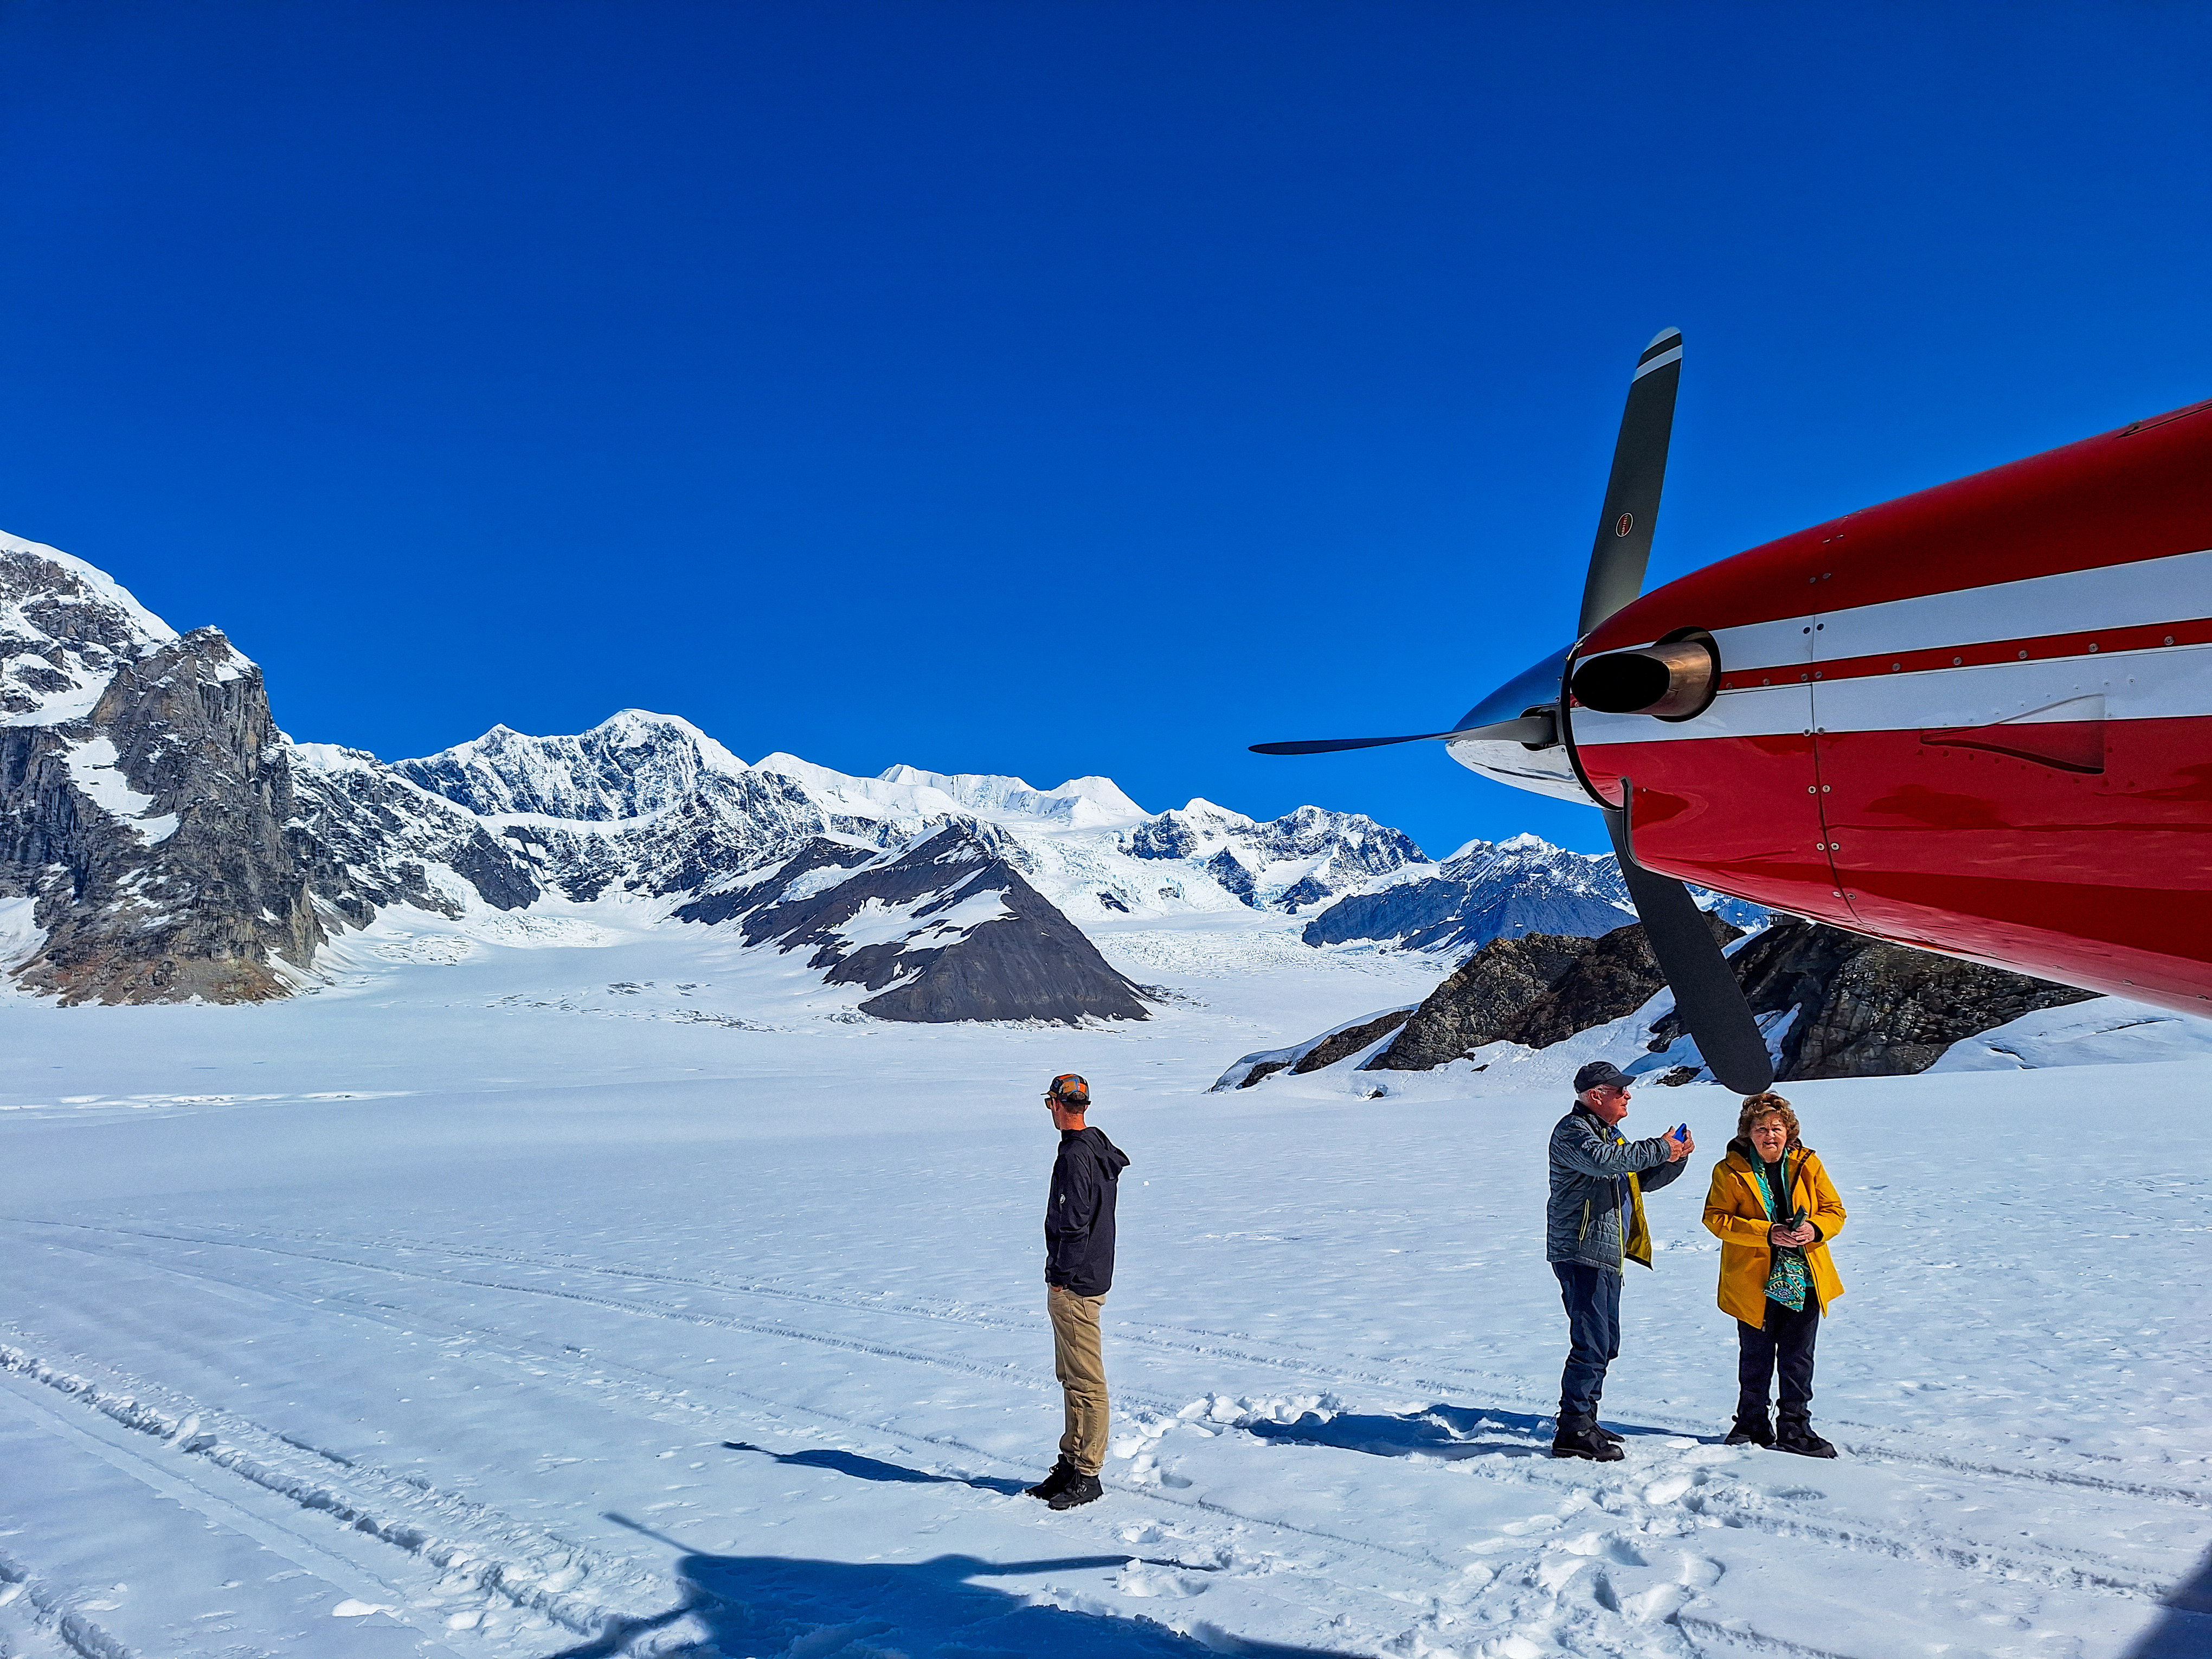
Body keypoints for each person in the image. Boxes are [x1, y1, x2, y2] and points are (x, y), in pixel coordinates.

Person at [1546, 1060, 1695, 1461]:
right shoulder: (1573, 1132)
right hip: (1580, 1252)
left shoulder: (1610, 1135)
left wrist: (1674, 1159)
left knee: (1605, 1342)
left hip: (1604, 1252)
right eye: (1619, 1090)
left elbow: (1635, 1178)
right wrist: (1662, 1147)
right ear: (1597, 1096)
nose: (1627, 1095)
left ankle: (1585, 1419)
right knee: (1592, 1342)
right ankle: (1573, 1429)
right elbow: (1607, 1163)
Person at [1702, 1091, 1847, 1457]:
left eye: (1777, 1128)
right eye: (1761, 1128)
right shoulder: (1729, 1171)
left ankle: (1795, 1429)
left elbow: (1834, 1210)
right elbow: (1716, 1218)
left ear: (1789, 1131)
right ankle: (1751, 1424)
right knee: (1756, 1355)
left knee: (1798, 1357)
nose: (1770, 1135)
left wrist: (1814, 1229)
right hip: (1754, 1279)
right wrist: (1766, 1233)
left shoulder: (1808, 1164)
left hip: (1804, 1276)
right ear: (1748, 1133)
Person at [1025, 1073, 1129, 1510]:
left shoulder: (1076, 1155)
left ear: (1055, 1104)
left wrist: (1061, 1275)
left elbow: (1076, 1223)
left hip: (1077, 1283)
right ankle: (1071, 1460)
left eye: (1050, 1102)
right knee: (1071, 1377)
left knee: (1086, 1381)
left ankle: (1088, 1471)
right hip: (1087, 1276)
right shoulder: (1095, 1146)